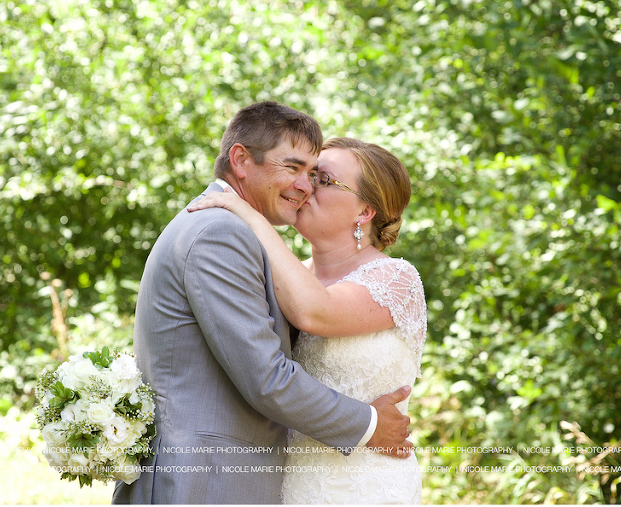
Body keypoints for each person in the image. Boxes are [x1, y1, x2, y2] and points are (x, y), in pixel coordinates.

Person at [112, 103, 413, 505]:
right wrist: (369, 425)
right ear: (240, 160)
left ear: (366, 210)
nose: (305, 186)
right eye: (296, 169)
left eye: (317, 176)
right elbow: (266, 378)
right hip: (203, 481)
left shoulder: (377, 277)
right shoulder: (220, 232)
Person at [188, 136, 427, 504]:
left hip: (366, 483)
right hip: (291, 484)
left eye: (324, 180)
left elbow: (315, 312)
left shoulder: (396, 280)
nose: (303, 186)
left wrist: (249, 214)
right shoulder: (289, 276)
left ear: (364, 211)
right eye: (307, 174)